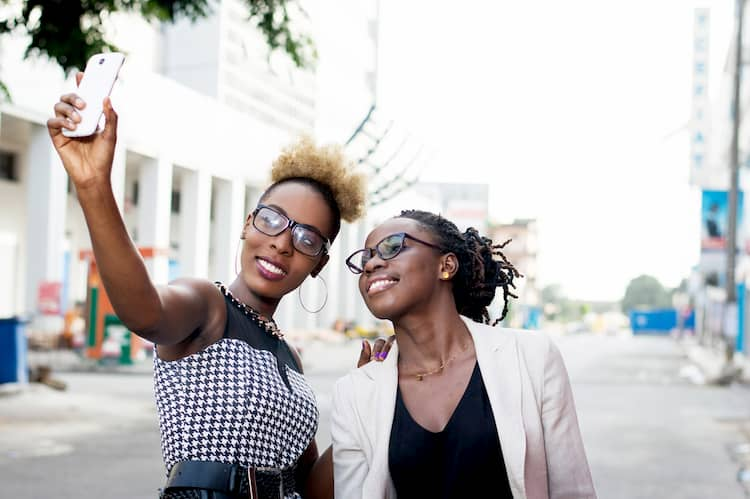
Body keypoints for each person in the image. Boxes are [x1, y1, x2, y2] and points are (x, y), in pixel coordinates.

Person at [47, 75, 384, 499]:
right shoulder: (207, 305)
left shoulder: (291, 359)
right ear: (248, 224)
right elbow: (144, 311)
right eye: (273, 219)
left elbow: (313, 488)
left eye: (306, 239)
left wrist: (363, 404)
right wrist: (94, 186)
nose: (282, 242)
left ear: (320, 263)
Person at [332, 210, 596, 499]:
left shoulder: (532, 357)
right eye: (364, 258)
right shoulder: (355, 392)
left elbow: (572, 489)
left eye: (393, 246)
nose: (372, 263)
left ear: (446, 265)